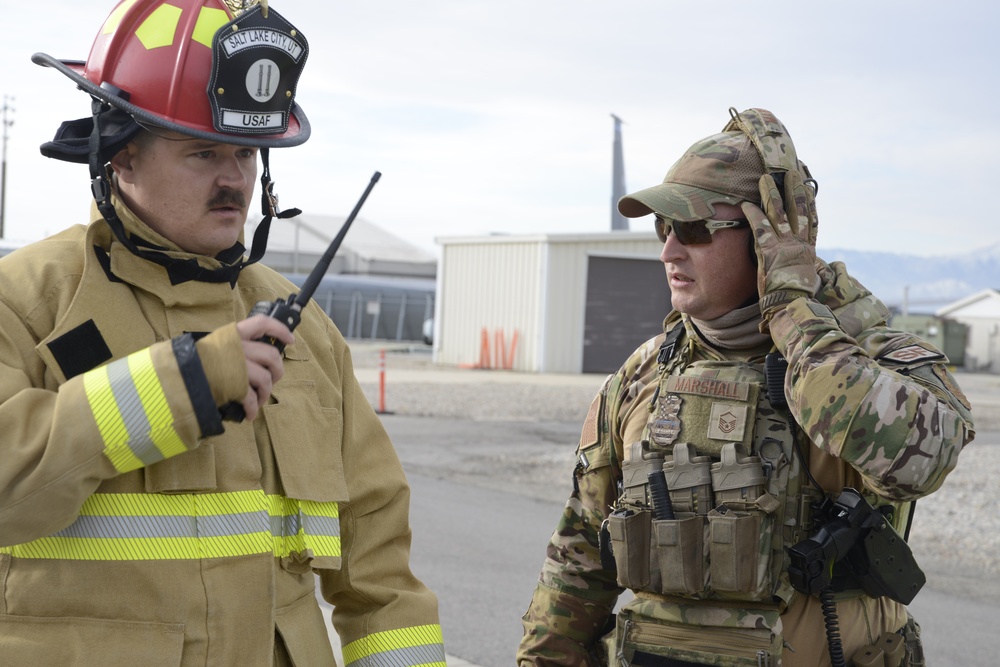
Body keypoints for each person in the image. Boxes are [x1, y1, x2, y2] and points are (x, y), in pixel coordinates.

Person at [0, 1, 446, 665]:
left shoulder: (306, 331)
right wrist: (183, 384)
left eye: (245, 152)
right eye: (202, 152)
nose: (234, 179)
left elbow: (380, 571)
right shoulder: (29, 300)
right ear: (121, 154)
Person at [517, 107, 974, 667]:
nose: (668, 251)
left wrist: (793, 312)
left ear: (769, 236)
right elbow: (580, 554)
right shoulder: (644, 373)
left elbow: (921, 458)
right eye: (664, 229)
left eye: (692, 229)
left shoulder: (864, 356)